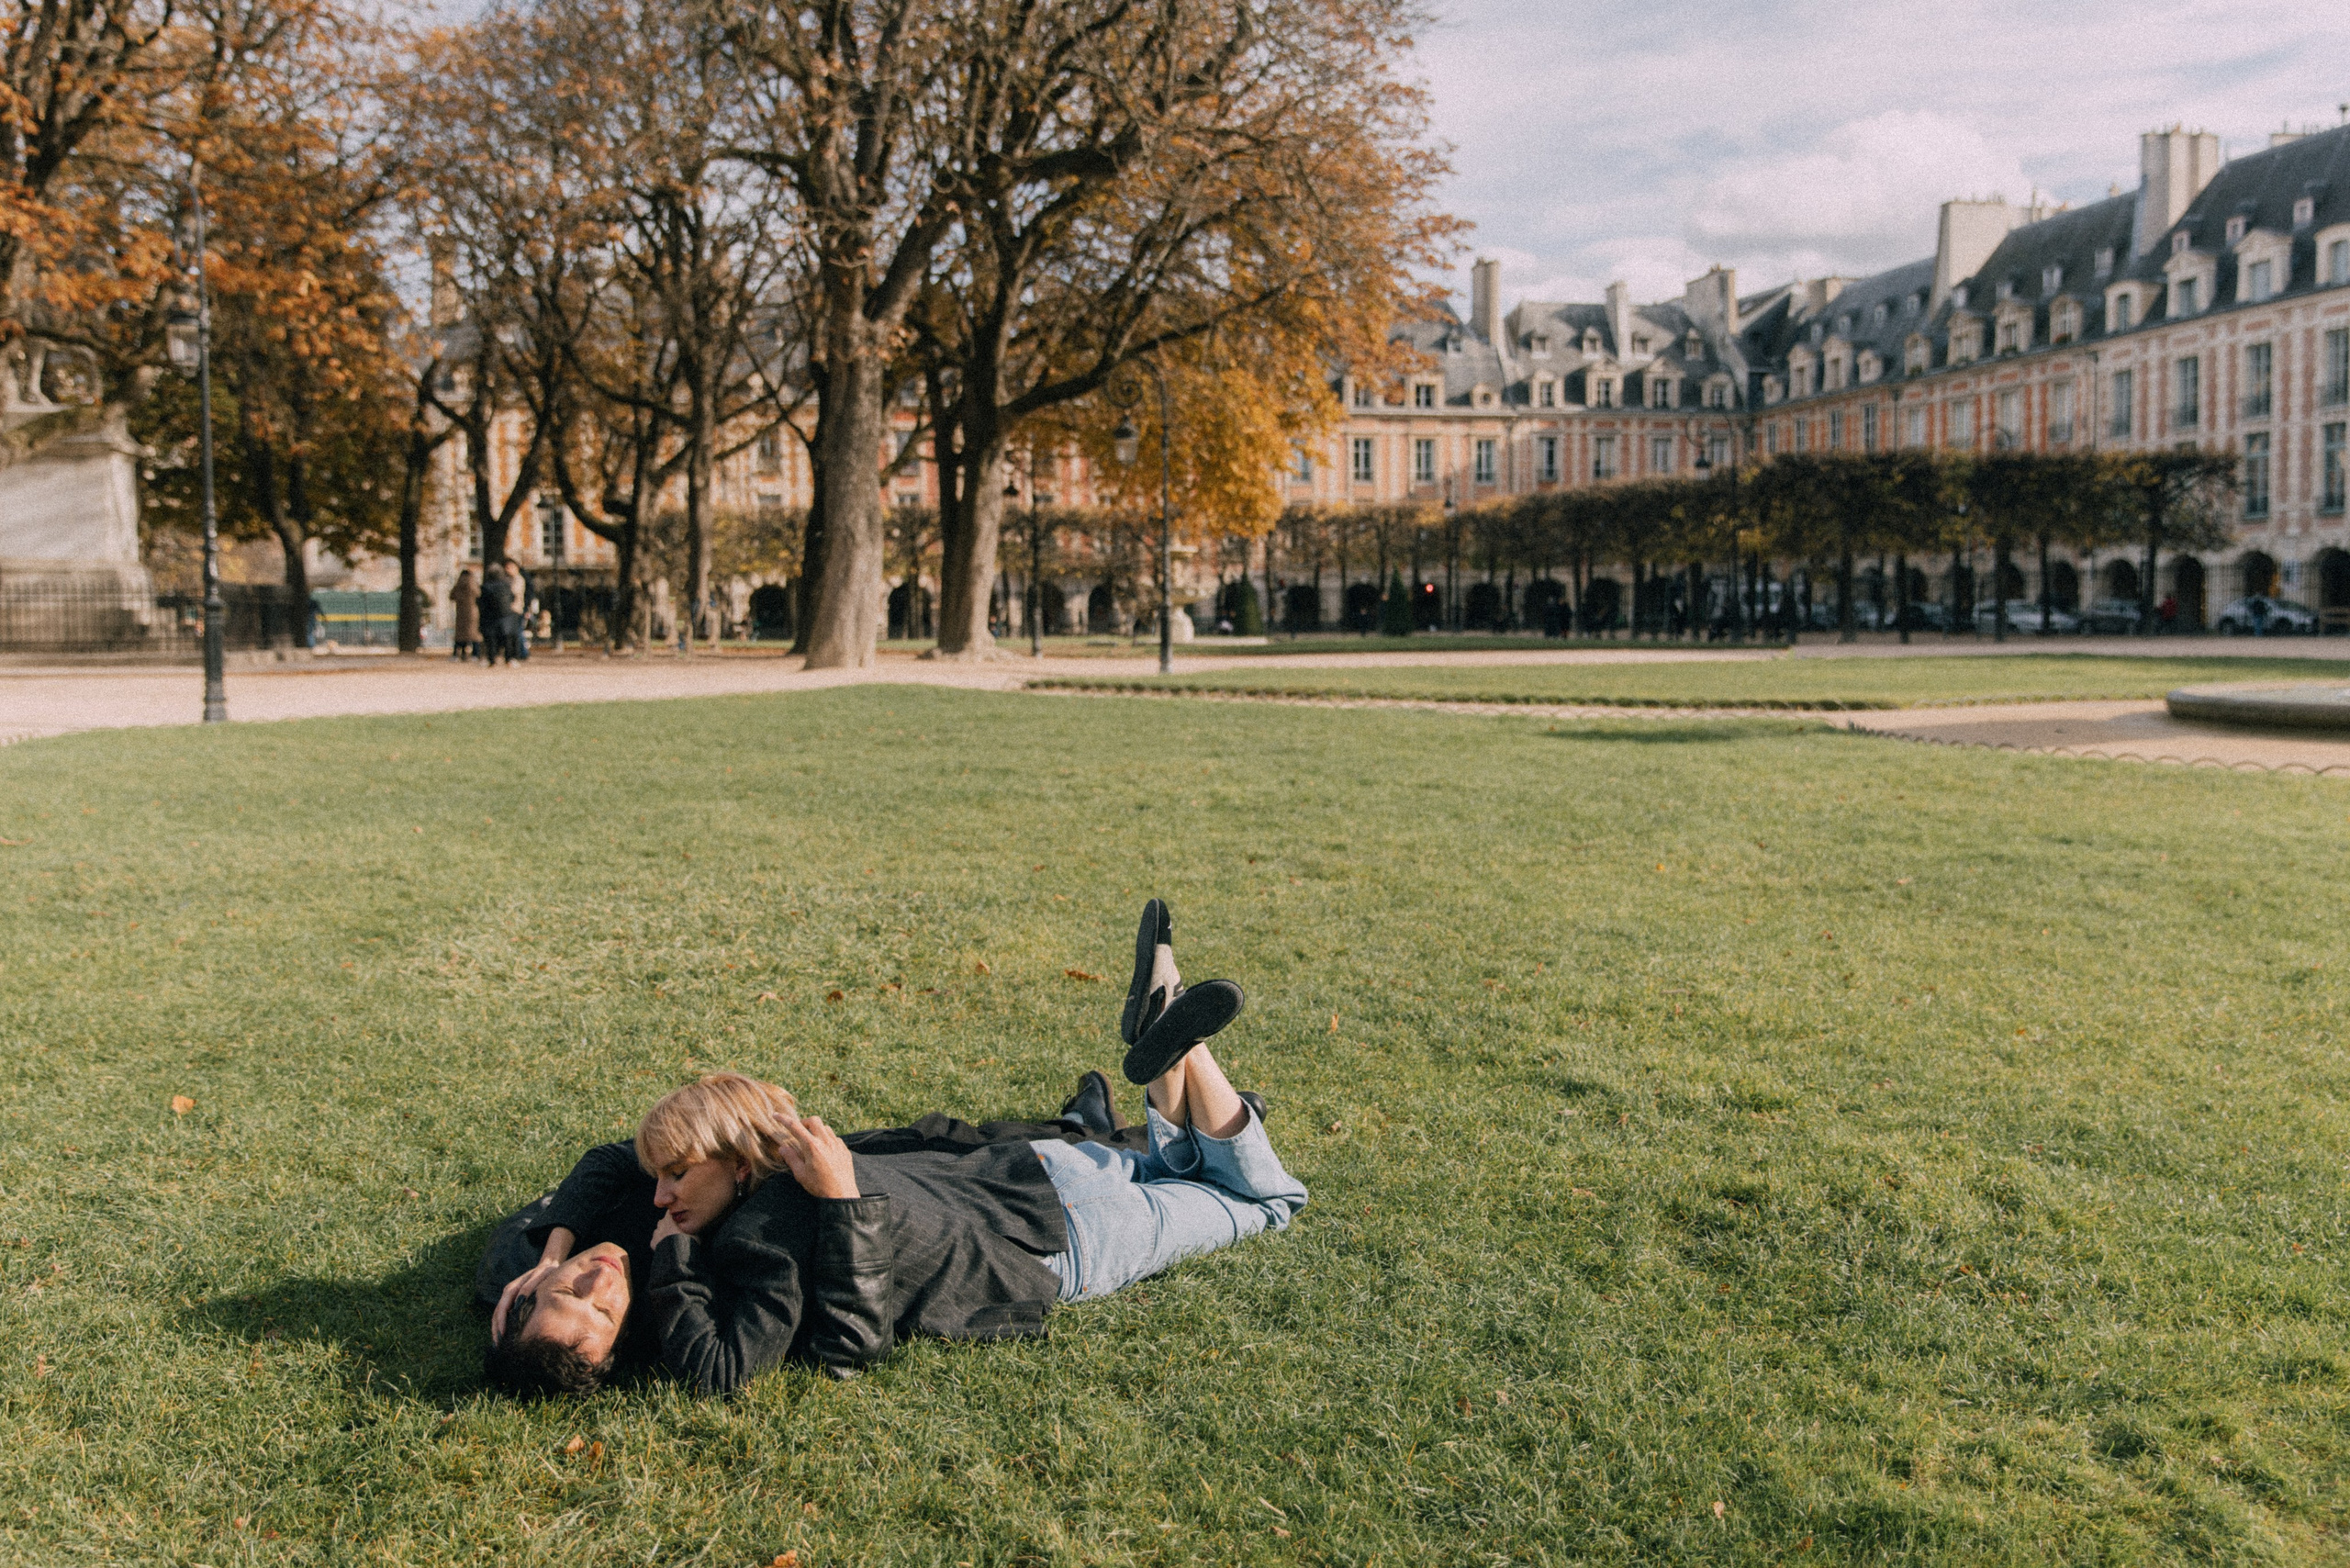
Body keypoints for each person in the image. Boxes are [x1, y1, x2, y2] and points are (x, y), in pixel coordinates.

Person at [485, 901, 1302, 1397]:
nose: (599, 1277)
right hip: (1028, 1191)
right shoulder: (764, 1185)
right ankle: (1178, 1056)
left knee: (1266, 1201)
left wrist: (549, 1248)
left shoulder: (753, 1208)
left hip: (1031, 1225)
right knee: (1184, 1169)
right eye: (598, 1308)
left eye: (570, 1287)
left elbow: (598, 1170)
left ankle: (1178, 1054)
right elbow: (779, 1349)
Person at [477, 560, 515, 666]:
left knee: (491, 639)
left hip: (490, 616)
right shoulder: (506, 585)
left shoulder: (486, 587)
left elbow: (482, 602)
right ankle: (509, 659)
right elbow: (512, 598)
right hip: (506, 615)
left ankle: (492, 660)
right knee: (507, 638)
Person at [451, 568, 479, 661]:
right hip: (472, 611)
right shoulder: (473, 584)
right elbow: (479, 594)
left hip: (461, 612)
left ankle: (457, 654)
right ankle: (475, 654)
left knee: (460, 634)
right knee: (474, 634)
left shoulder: (458, 585)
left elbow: (451, 596)